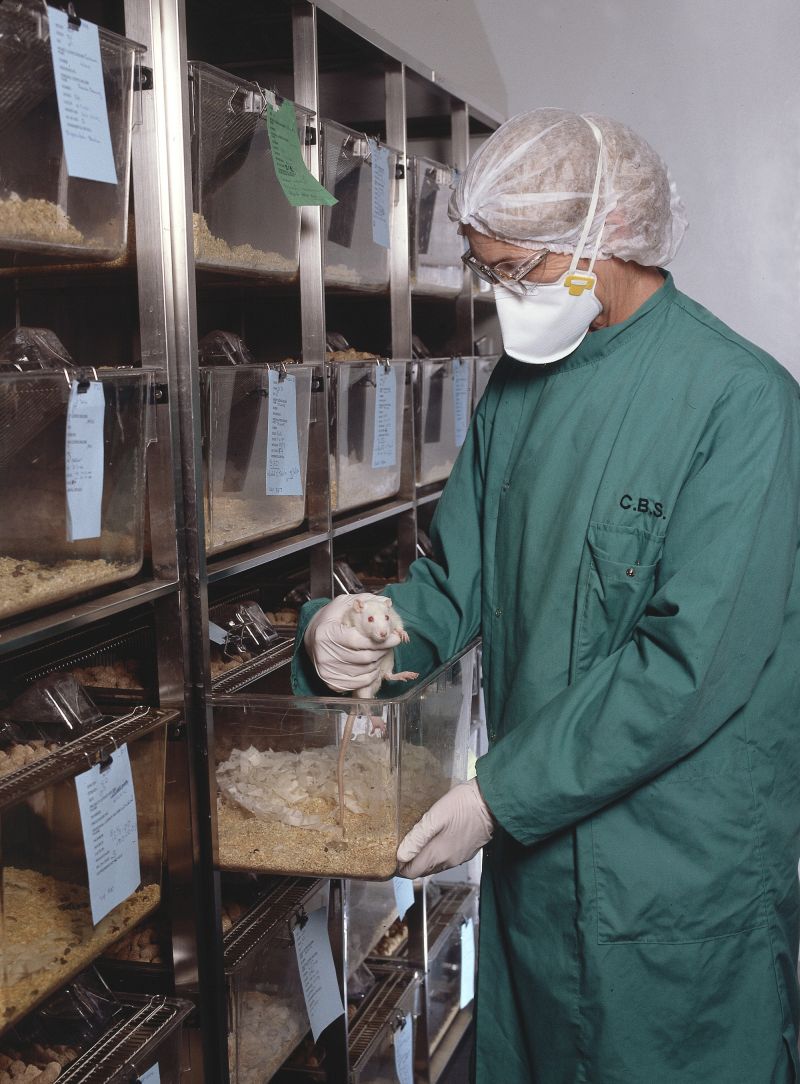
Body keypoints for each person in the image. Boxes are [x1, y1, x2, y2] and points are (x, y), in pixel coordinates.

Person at [292, 108, 800, 1083]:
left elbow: (687, 667)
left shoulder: (741, 404)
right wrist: (356, 636)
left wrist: (497, 795)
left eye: (517, 270)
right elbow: (454, 583)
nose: (502, 299)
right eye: (485, 272)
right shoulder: (519, 390)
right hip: (537, 879)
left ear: (610, 232)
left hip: (676, 886)